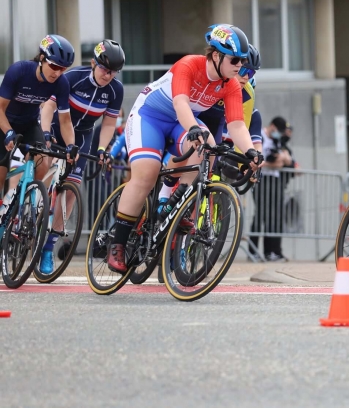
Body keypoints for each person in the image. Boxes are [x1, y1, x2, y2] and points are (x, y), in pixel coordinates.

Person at [106, 24, 262, 273]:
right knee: (147, 173)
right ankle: (118, 243)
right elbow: (180, 103)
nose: (239, 66)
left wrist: (251, 153)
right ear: (216, 55)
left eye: (242, 62)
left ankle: (173, 202)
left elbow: (236, 125)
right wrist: (193, 129)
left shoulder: (231, 85)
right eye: (235, 60)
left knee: (209, 149)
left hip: (181, 121)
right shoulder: (189, 64)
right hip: (150, 116)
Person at [39, 39, 126, 273]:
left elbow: (108, 124)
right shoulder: (73, 77)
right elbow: (48, 107)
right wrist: (46, 133)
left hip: (82, 136)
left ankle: (48, 247)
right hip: (56, 128)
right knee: (42, 168)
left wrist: (102, 149)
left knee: (70, 192)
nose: (108, 76)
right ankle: (30, 206)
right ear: (93, 63)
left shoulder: (115, 90)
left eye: (113, 72)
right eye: (104, 69)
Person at [0, 35, 78, 212]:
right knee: (1, 173)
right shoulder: (19, 71)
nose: (57, 72)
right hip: (4, 123)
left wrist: (71, 145)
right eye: (54, 66)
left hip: (28, 124)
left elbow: (65, 120)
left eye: (63, 68)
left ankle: (22, 207)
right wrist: (8, 132)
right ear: (42, 58)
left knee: (43, 162)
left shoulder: (61, 83)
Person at [251, 116, 295, 262]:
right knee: (261, 215)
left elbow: (287, 161)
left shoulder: (278, 141)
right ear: (272, 126)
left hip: (275, 181)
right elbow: (266, 160)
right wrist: (278, 161)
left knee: (275, 217)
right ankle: (254, 251)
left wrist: (280, 161)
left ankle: (272, 252)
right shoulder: (260, 136)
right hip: (261, 179)